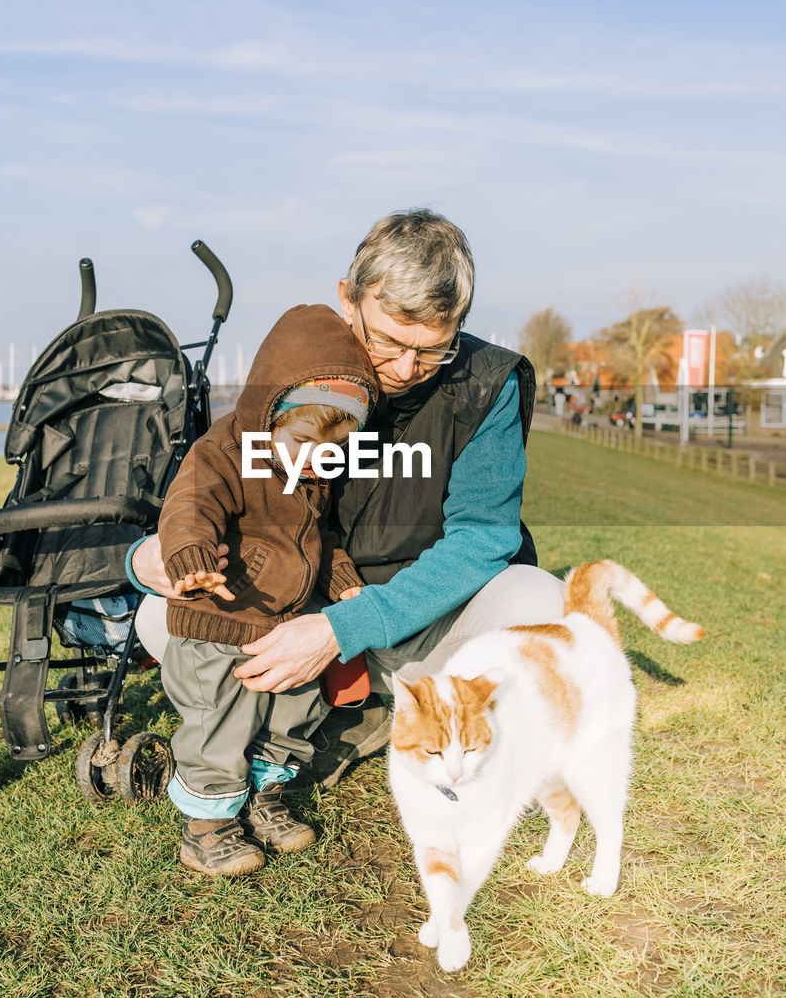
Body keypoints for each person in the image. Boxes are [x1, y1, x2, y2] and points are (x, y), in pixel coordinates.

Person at [130, 209, 565, 795]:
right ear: (348, 299)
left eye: (433, 349)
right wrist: (148, 555)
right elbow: (219, 481)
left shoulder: (490, 384)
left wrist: (342, 630)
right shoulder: (299, 370)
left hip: (424, 620)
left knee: (542, 600)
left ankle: (386, 711)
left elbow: (482, 539)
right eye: (386, 341)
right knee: (158, 618)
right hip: (306, 604)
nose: (407, 370)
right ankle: (351, 713)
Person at [129, 303, 376, 876]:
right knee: (220, 719)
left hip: (285, 620)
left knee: (293, 706)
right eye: (305, 440)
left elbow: (322, 539)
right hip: (221, 614)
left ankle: (265, 795)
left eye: (335, 448)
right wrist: (186, 553)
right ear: (269, 412)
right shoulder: (224, 453)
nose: (319, 459)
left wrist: (341, 581)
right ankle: (208, 824)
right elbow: (189, 506)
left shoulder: (312, 477)